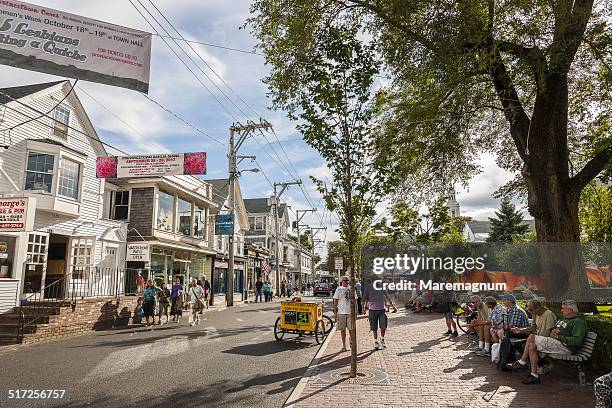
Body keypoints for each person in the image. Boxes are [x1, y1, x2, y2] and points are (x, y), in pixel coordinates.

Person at [509, 300, 587, 385]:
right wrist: (554, 332)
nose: (561, 311)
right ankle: (534, 376)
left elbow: (577, 341)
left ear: (570, 310)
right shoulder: (564, 319)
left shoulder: (578, 322)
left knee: (531, 338)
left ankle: (522, 362)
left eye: (563, 309)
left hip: (565, 347)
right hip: (555, 342)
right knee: (532, 346)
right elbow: (552, 330)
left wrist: (559, 336)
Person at [363, 279, 396, 350]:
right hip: (372, 310)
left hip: (381, 310)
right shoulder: (368, 287)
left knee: (383, 326)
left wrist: (393, 307)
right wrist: (363, 308)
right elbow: (365, 298)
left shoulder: (382, 287)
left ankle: (382, 339)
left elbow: (387, 297)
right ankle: (375, 342)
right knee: (374, 327)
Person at [333, 276, 354, 352]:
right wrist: (335, 312)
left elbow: (355, 301)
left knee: (351, 329)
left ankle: (351, 340)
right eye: (345, 280)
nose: (347, 281)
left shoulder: (352, 289)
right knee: (343, 330)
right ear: (342, 281)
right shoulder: (338, 289)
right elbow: (335, 301)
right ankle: (344, 345)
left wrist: (355, 313)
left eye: (347, 280)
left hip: (350, 313)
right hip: (341, 313)